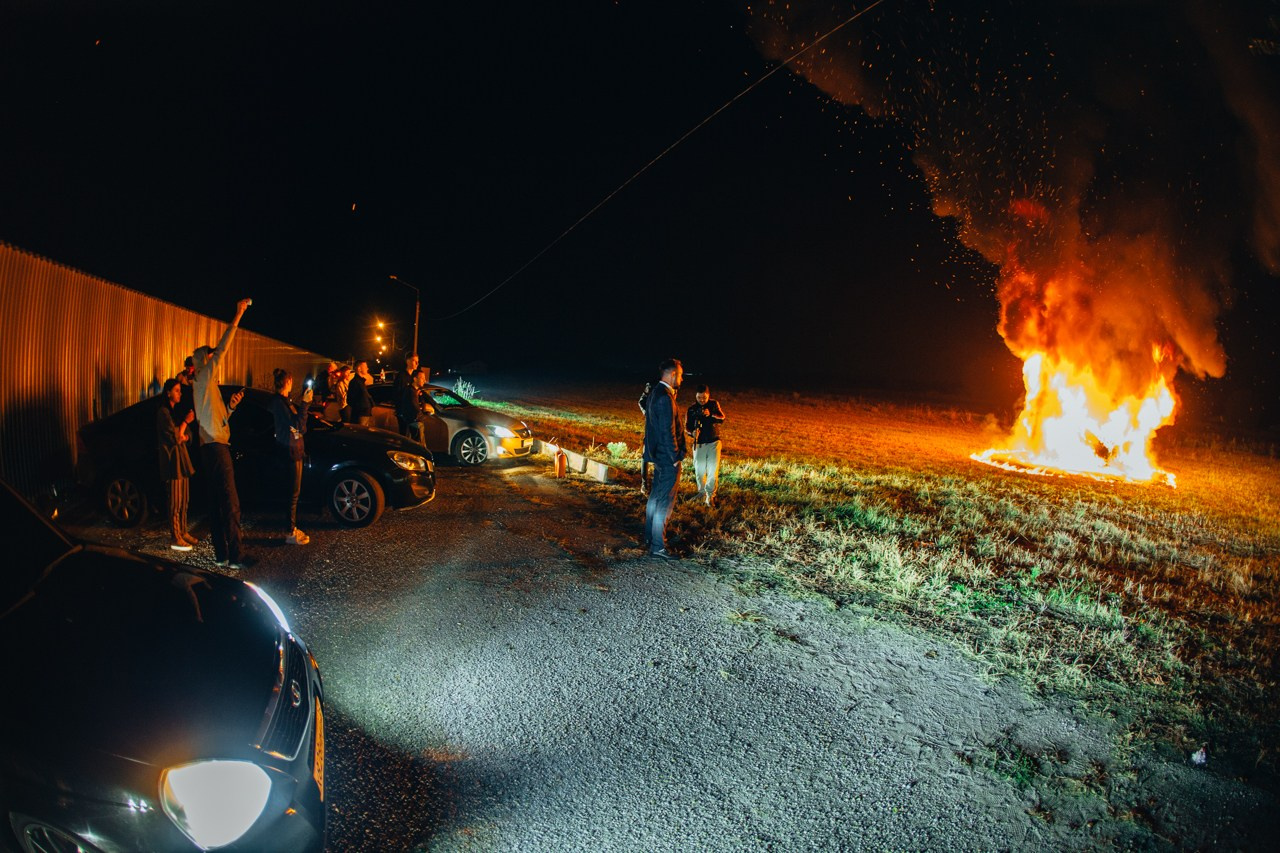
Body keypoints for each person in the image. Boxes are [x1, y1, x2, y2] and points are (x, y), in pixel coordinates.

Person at [192, 298, 251, 568]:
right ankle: (236, 557)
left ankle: (222, 555)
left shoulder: (206, 388)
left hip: (210, 448)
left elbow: (217, 418)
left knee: (217, 504)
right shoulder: (204, 377)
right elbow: (224, 346)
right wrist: (237, 314)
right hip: (217, 448)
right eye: (211, 354)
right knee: (231, 503)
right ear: (204, 360)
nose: (216, 356)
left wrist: (231, 407)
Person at [643, 358, 686, 559]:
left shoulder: (654, 393)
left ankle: (650, 537)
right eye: (681, 375)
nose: (682, 379)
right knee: (664, 501)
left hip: (658, 455)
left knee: (655, 496)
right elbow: (667, 431)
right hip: (667, 458)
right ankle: (658, 546)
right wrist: (675, 456)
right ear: (672, 375)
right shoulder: (664, 397)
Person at [269, 368, 313, 545]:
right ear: (287, 382)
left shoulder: (283, 401)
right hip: (290, 451)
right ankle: (290, 532)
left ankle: (292, 528)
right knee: (293, 493)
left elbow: (296, 428)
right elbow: (298, 426)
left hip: (294, 449)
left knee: (294, 492)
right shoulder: (279, 403)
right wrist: (305, 404)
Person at [157, 378, 197, 551]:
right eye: (176, 390)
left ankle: (183, 531)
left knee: (184, 500)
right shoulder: (163, 413)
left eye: (180, 390)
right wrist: (185, 424)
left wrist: (184, 433)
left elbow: (186, 436)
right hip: (172, 463)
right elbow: (175, 437)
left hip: (182, 461)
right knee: (175, 502)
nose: (180, 393)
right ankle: (176, 536)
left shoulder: (174, 411)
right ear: (168, 393)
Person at [685, 384, 726, 507]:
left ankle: (710, 495)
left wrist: (711, 415)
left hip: (714, 442)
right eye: (699, 397)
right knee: (699, 470)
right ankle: (701, 492)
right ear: (695, 396)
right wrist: (692, 432)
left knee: (713, 470)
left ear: (708, 395)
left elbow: (722, 418)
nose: (702, 400)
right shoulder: (691, 409)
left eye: (704, 397)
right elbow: (687, 426)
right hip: (699, 443)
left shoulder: (714, 404)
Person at [398, 367, 428, 441]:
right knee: (419, 445)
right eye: (422, 378)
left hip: (414, 421)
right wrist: (422, 416)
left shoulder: (416, 391)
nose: (425, 380)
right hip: (415, 422)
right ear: (415, 379)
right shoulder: (411, 392)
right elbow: (415, 407)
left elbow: (422, 404)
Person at [394, 354, 421, 434]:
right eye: (414, 361)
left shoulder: (413, 377)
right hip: (403, 413)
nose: (417, 363)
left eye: (417, 361)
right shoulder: (401, 376)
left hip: (411, 414)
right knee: (404, 435)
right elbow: (398, 394)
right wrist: (400, 412)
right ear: (408, 361)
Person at [638, 380, 653, 495]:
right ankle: (644, 483)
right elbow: (642, 400)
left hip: (663, 428)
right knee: (645, 456)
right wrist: (645, 412)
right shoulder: (652, 386)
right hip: (650, 428)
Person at [348, 360, 374, 425]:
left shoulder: (361, 382)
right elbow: (350, 399)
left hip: (364, 413)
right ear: (359, 369)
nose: (367, 368)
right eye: (365, 367)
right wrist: (361, 407)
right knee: (361, 433)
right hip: (361, 414)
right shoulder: (355, 382)